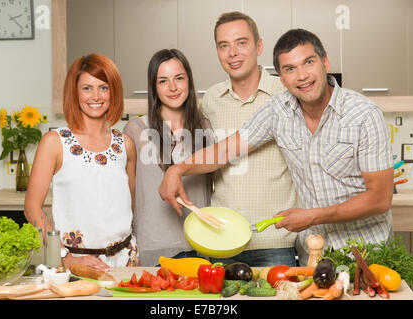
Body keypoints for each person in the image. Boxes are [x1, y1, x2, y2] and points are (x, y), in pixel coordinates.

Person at [159, 28, 394, 267]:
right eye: (290, 69)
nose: (301, 75)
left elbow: (379, 199)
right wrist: (177, 169)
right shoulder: (278, 110)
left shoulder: (364, 115)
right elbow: (226, 150)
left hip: (367, 253)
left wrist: (312, 215)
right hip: (313, 255)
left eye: (308, 62)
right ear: (281, 79)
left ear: (325, 62)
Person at [200, 11, 298, 267]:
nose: (233, 53)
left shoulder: (286, 93)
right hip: (222, 240)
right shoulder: (211, 99)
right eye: (224, 45)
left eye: (241, 43)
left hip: (275, 242)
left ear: (259, 46)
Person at [24, 53, 139, 271]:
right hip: (76, 264)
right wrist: (65, 258)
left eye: (103, 87)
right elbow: (31, 208)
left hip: (127, 262)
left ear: (113, 92)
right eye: (87, 88)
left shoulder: (126, 144)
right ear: (74, 93)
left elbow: (130, 208)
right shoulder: (54, 142)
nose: (96, 96)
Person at [123, 49, 215, 266]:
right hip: (153, 247)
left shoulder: (206, 128)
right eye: (163, 81)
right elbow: (129, 194)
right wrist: (131, 245)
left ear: (189, 82)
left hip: (200, 244)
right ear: (154, 88)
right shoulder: (135, 130)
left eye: (179, 78)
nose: (173, 87)